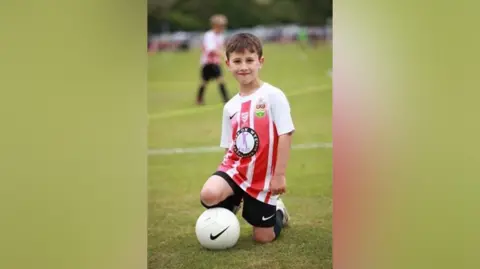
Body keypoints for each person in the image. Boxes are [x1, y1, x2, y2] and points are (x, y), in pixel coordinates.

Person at [200, 33, 294, 243]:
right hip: (236, 171)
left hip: (263, 177)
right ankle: (233, 204)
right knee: (209, 194)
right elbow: (229, 147)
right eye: (237, 61)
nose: (244, 66)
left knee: (263, 238)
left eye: (249, 60)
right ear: (228, 64)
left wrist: (279, 175)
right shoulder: (230, 106)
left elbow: (285, 134)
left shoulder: (273, 96)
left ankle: (278, 210)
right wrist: (225, 180)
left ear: (260, 62)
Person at [196, 14, 230, 105]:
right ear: (215, 25)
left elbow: (221, 47)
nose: (223, 27)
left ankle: (226, 99)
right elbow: (211, 49)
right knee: (204, 81)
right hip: (208, 62)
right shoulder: (209, 35)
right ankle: (199, 99)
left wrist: (224, 54)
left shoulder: (220, 36)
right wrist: (224, 56)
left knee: (220, 79)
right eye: (221, 26)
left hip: (215, 62)